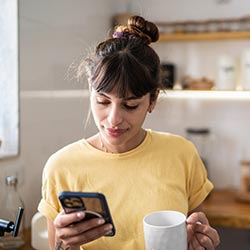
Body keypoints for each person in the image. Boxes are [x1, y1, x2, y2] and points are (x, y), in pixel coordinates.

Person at [38, 15, 220, 250]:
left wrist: (202, 242)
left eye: (130, 105)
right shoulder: (60, 167)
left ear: (153, 100)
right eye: (102, 101)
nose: (113, 119)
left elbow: (193, 232)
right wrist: (64, 244)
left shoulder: (181, 154)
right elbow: (57, 246)